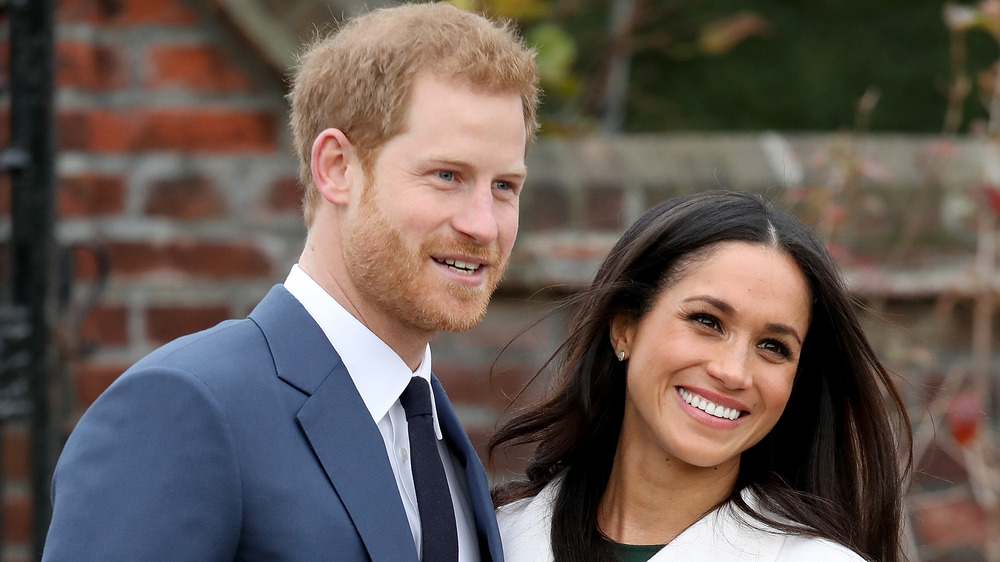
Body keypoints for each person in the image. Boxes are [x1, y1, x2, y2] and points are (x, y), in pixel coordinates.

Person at [43, 3, 539, 560]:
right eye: (446, 176)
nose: (483, 224)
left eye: (504, 187)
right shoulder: (185, 406)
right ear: (336, 167)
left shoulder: (439, 443)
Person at [490, 190, 912, 562]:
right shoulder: (491, 537)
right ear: (625, 328)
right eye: (707, 321)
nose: (733, 372)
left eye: (773, 347)